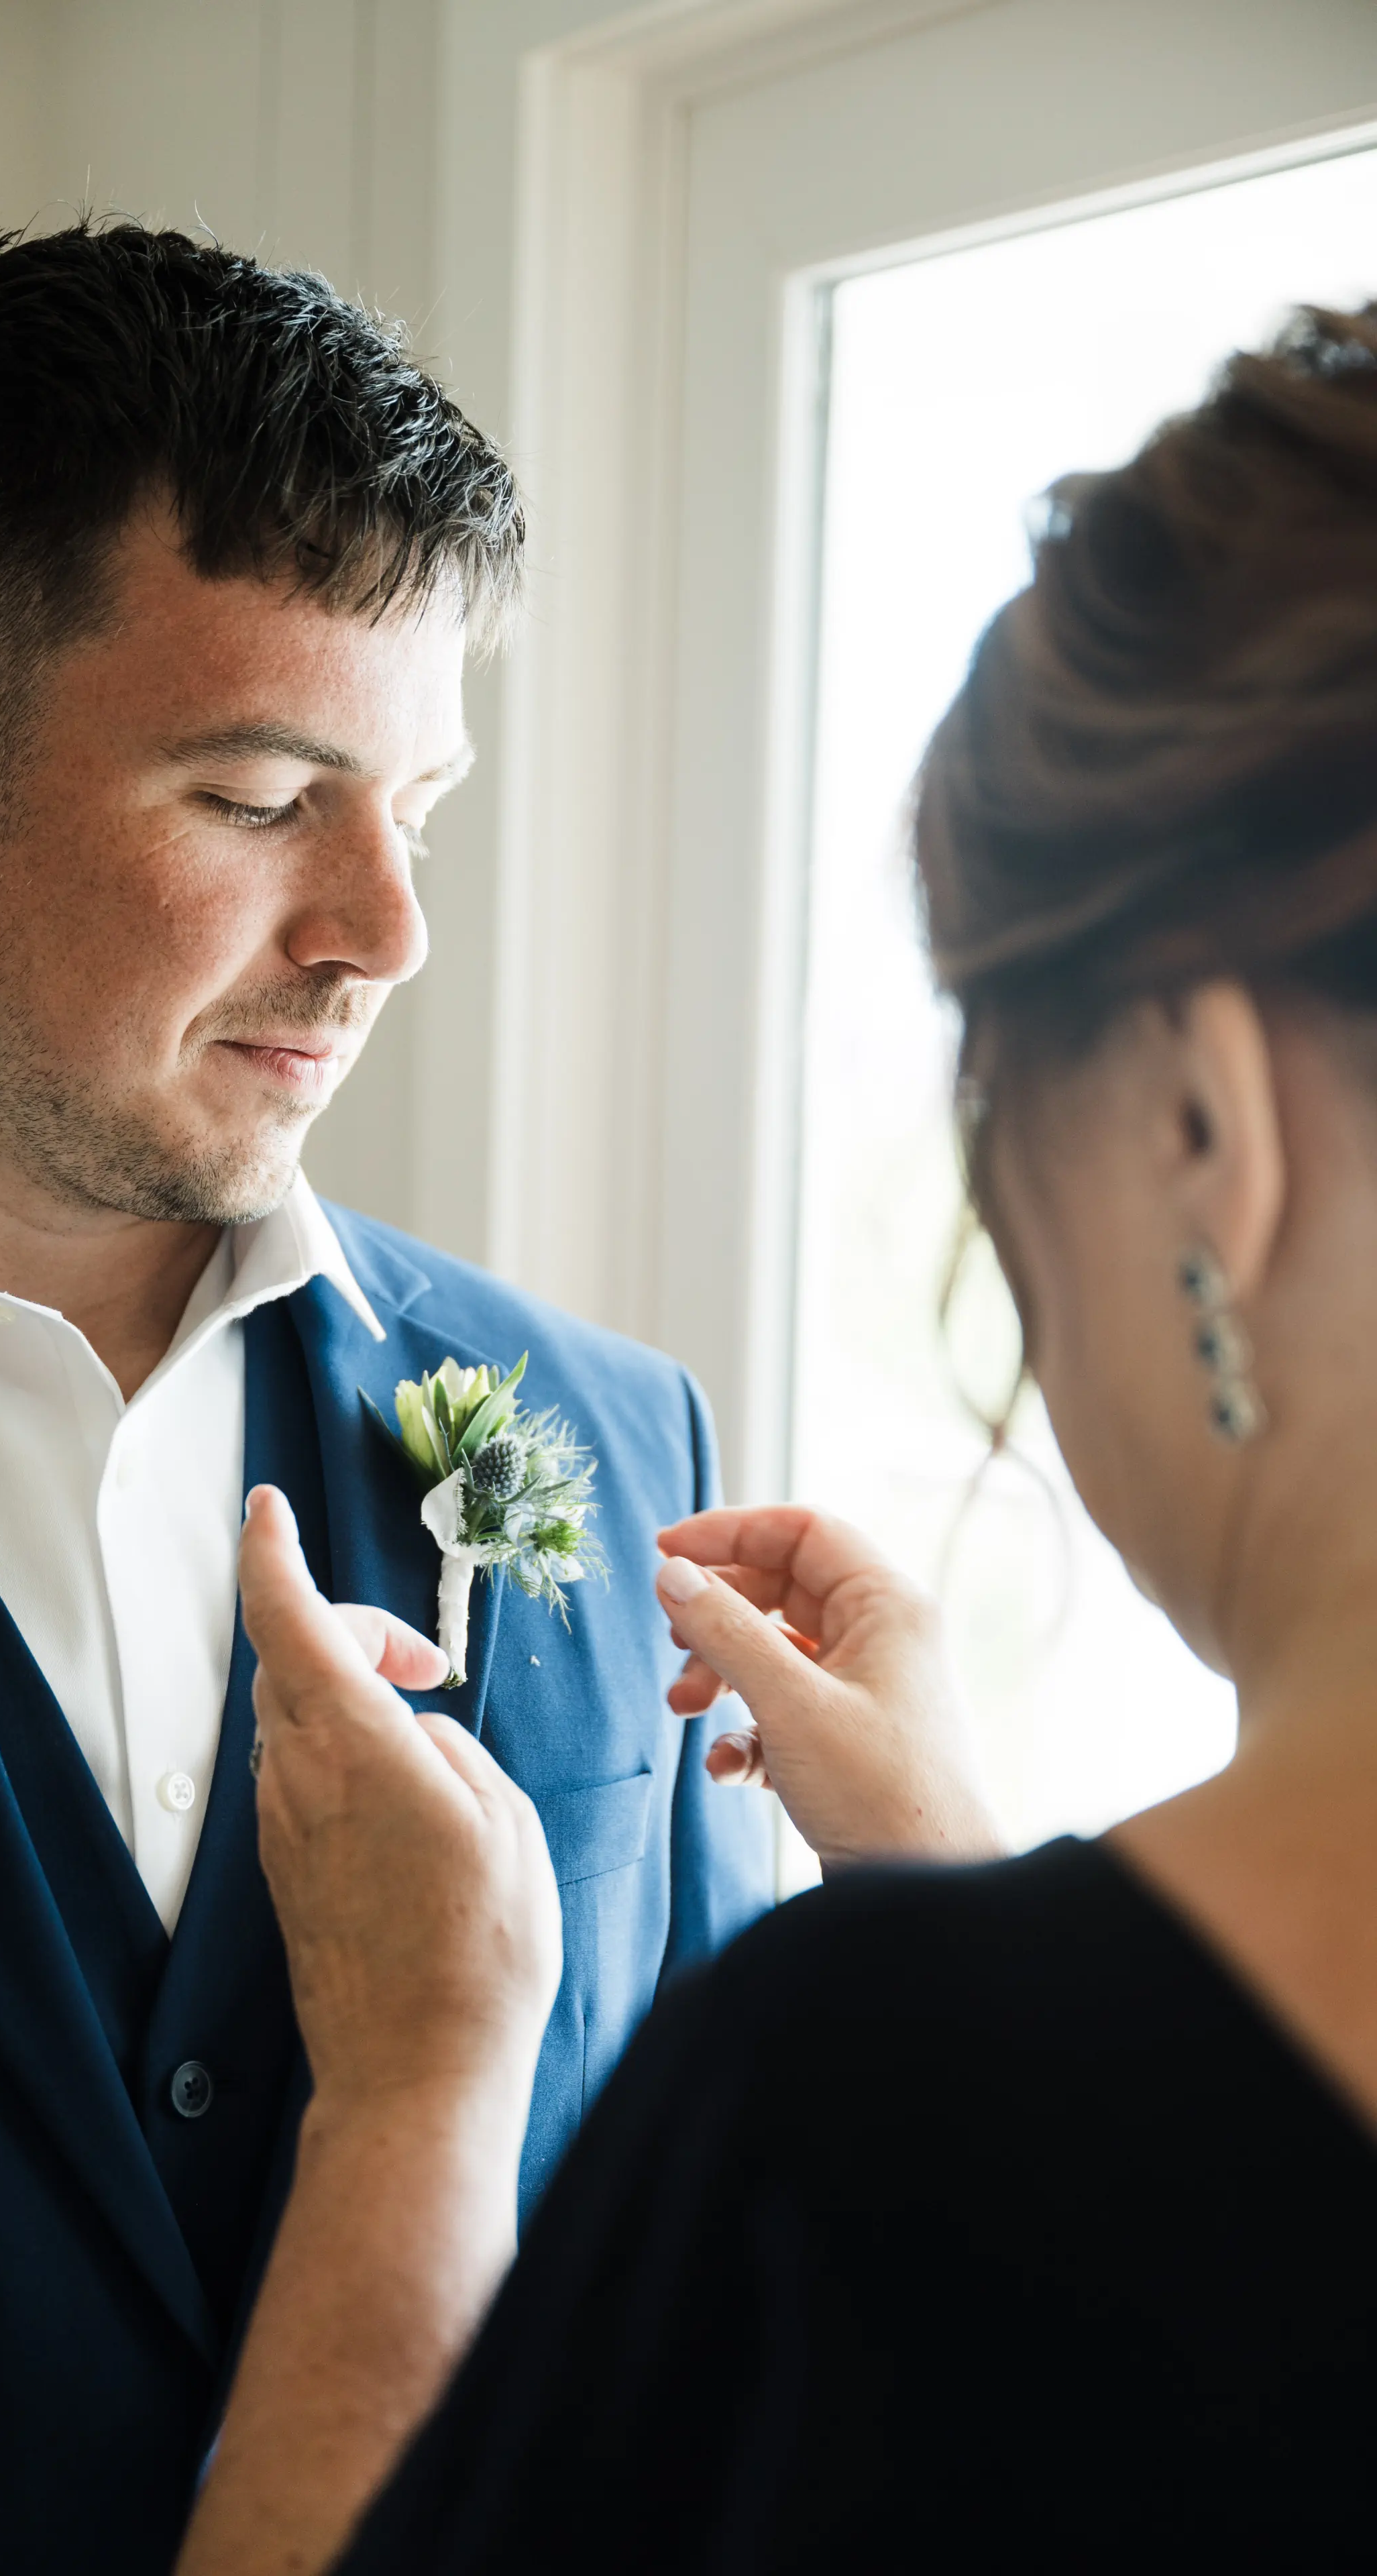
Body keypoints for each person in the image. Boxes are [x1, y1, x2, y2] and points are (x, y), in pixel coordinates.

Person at [0, 221, 993, 2573]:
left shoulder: (609, 1432)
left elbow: (734, 2322)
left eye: (422, 806)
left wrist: (954, 1922)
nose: (386, 927)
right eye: (265, 797)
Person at [178, 303, 1377, 2572]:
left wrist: (430, 2088)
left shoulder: (857, 2100)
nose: (390, 932)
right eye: (251, 798)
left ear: (1210, 1126)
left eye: (1001, 1104)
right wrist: (970, 1893)